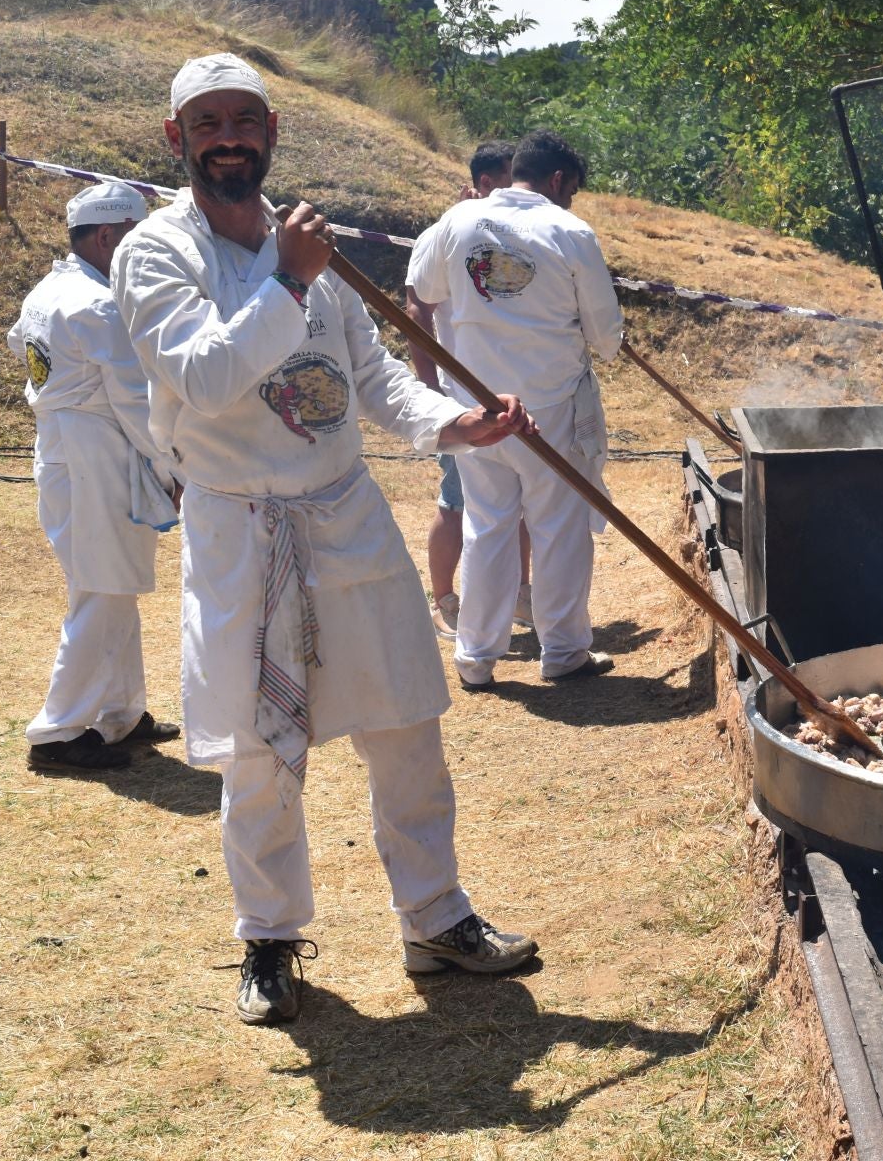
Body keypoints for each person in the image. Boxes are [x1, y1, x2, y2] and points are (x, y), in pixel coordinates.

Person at [114, 52, 541, 1024]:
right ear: (177, 139)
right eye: (208, 122)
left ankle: (436, 919)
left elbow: (371, 377)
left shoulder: (307, 249)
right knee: (257, 757)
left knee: (407, 728)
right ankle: (267, 938)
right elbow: (209, 374)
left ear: (272, 133)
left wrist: (450, 424)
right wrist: (290, 279)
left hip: (343, 511)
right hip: (241, 528)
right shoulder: (155, 254)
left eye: (246, 120)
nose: (229, 137)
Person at [407, 128, 624, 690]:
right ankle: (565, 652)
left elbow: (420, 298)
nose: (571, 199)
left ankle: (476, 658)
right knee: (558, 529)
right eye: (571, 188)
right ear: (556, 180)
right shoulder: (570, 230)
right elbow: (607, 338)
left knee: (488, 526)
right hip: (550, 410)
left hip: (477, 409)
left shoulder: (454, 223)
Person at [8, 182, 181, 772]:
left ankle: (121, 713)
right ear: (108, 236)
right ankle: (57, 731)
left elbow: (21, 347)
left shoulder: (51, 288)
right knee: (100, 593)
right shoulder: (99, 302)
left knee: (113, 587)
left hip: (67, 449)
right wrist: (173, 466)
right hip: (96, 457)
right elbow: (136, 401)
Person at [407, 140, 532, 638]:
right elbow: (416, 310)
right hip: (461, 398)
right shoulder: (443, 233)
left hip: (512, 394)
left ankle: (520, 593)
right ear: (483, 184)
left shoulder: (514, 235)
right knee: (456, 503)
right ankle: (444, 599)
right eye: (507, 181)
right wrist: (429, 389)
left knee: (517, 500)